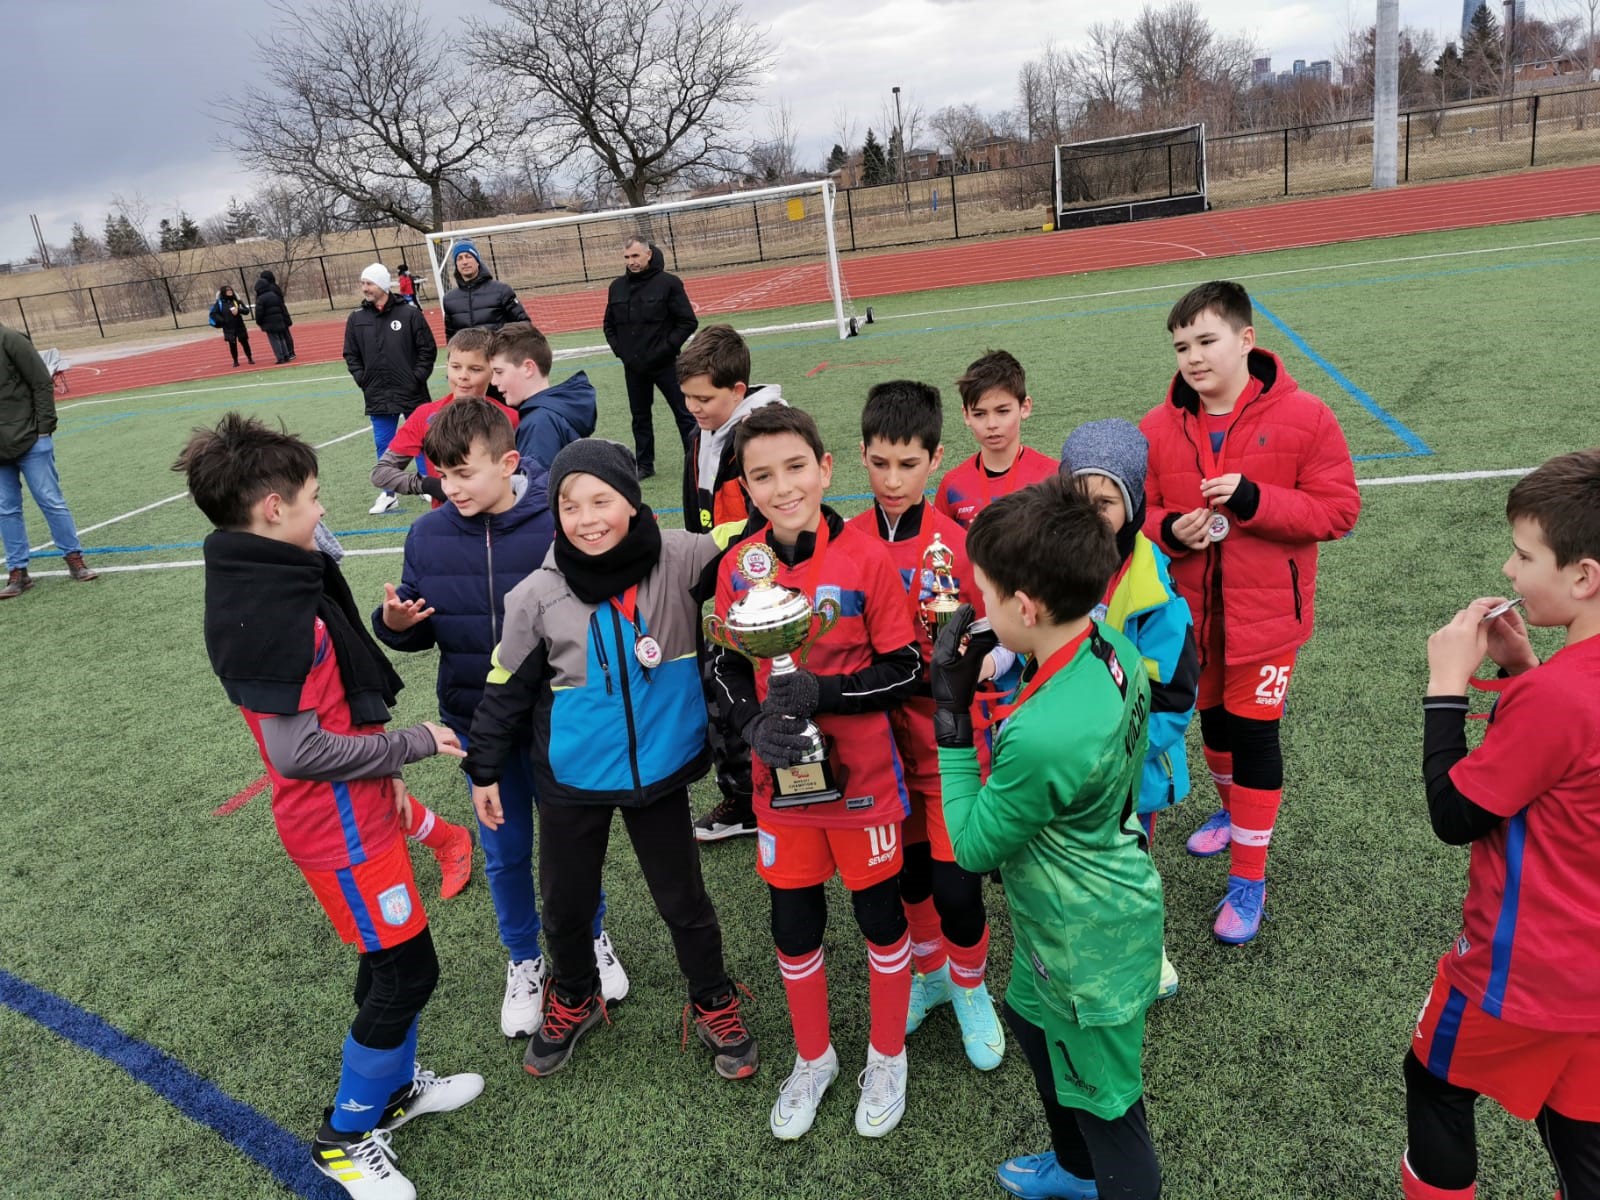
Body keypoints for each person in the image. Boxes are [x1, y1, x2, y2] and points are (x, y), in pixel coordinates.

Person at [177, 413, 482, 1200]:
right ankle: (343, 1140)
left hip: (359, 814)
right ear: (273, 508)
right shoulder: (273, 610)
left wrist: (387, 762)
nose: (323, 509)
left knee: (387, 963)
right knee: (407, 973)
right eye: (312, 497)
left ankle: (394, 1092)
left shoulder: (270, 578)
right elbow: (297, 751)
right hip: (336, 830)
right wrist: (410, 743)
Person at [464, 438, 757, 1081]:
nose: (587, 519)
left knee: (684, 900)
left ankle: (713, 998)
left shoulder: (683, 557)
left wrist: (763, 462)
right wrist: (483, 768)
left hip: (661, 771)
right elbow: (504, 685)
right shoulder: (536, 595)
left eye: (601, 500)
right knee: (565, 906)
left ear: (631, 501)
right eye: (570, 506)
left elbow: (753, 532)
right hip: (572, 778)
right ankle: (574, 995)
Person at [933, 476, 1164, 1200]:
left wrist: (951, 721)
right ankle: (1075, 1170)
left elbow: (973, 848)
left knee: (1112, 1113)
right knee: (1029, 1025)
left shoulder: (1043, 735)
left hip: (1083, 945)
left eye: (985, 594)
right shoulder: (1107, 641)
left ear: (1026, 607)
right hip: (1073, 914)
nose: (979, 609)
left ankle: (1100, 1174)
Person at [372, 399, 627, 1038]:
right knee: (506, 853)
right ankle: (523, 960)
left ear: (510, 462)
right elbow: (417, 624)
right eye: (442, 474)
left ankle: (590, 938)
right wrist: (395, 623)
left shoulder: (555, 524)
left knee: (570, 848)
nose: (451, 487)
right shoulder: (427, 535)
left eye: (464, 473)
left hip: (558, 720)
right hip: (477, 726)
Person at [710, 404, 923, 1141]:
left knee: (879, 919)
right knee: (794, 926)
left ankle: (887, 1055)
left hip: (863, 782)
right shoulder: (739, 567)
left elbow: (905, 669)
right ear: (746, 487)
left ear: (826, 469)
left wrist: (821, 693)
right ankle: (814, 1058)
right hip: (780, 785)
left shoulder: (865, 557)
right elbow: (724, 664)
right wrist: (753, 725)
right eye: (763, 476)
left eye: (796, 467)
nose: (784, 487)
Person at [1403, 448, 1600, 1200]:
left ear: (1583, 577)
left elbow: (1456, 814)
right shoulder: (1562, 691)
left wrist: (1445, 689)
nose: (1509, 570)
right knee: (1581, 1136)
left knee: (1435, 1084)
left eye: (1524, 555)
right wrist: (1525, 669)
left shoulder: (1557, 700)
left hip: (1525, 969)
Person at [1140, 280, 1359, 944]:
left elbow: (1338, 511)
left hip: (1266, 624)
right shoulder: (1157, 426)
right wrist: (1169, 529)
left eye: (1206, 341)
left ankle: (1249, 878)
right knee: (1212, 725)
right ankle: (1232, 815)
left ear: (1246, 340)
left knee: (1256, 737)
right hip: (1189, 620)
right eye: (1182, 347)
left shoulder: (1307, 416)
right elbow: (1135, 513)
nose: (1193, 358)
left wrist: (1255, 500)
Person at [844, 380, 1004, 1072]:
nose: (892, 480)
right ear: (861, 455)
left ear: (935, 459)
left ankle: (971, 988)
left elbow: (997, 635)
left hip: (949, 749)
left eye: (908, 464)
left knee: (957, 888)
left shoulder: (961, 546)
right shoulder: (846, 542)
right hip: (876, 752)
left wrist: (983, 662)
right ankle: (933, 976)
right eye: (880, 463)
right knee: (907, 879)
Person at [1060, 418, 1198, 999]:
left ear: (1133, 505)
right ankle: (1086, 948)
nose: (1092, 513)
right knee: (1072, 866)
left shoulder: (1155, 593)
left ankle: (1147, 949)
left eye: (1107, 501)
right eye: (1079, 497)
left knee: (1130, 865)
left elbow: (1173, 697)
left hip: (1128, 771)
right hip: (1064, 766)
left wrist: (1116, 758)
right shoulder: (1048, 568)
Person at [674, 324, 787, 843]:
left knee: (748, 689)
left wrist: (707, 573)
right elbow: (699, 515)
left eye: (704, 398)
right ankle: (745, 793)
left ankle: (755, 796)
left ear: (738, 390)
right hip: (720, 583)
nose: (693, 407)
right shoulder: (704, 433)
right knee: (721, 688)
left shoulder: (761, 437)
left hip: (756, 591)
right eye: (688, 397)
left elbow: (762, 524)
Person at [371, 327, 519, 508]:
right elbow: (381, 473)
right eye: (456, 367)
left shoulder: (509, 417)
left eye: (475, 369)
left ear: (492, 371)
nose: (463, 376)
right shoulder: (425, 415)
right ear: (447, 365)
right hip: (446, 518)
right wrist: (430, 485)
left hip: (499, 517)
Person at [0, 324, 97, 598]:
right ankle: (18, 571)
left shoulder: (11, 340)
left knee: (50, 500)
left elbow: (41, 382)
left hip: (30, 438)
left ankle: (75, 559)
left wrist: (44, 430)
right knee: (5, 509)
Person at [343, 263, 438, 516]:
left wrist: (416, 378)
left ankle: (427, 485)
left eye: (369, 283)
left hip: (411, 391)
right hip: (377, 393)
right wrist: (363, 379)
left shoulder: (410, 314)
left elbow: (427, 349)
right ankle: (388, 493)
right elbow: (351, 354)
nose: (365, 288)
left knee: (422, 439)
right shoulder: (356, 319)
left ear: (383, 286)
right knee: (384, 444)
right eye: (363, 283)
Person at [602, 235, 698, 479]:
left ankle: (695, 461)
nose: (631, 261)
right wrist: (623, 353)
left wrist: (666, 348)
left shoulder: (669, 283)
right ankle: (644, 465)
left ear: (648, 254)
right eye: (627, 257)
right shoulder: (617, 287)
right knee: (640, 418)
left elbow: (688, 321)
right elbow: (609, 326)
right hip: (633, 367)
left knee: (685, 414)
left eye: (635, 255)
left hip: (666, 363)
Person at [933, 349, 1056, 530]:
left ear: (1024, 407)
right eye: (979, 414)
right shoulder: (952, 485)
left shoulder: (1053, 477)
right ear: (966, 415)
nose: (991, 424)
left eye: (1002, 411)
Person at [488, 324, 596, 472]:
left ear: (528, 368)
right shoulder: (557, 409)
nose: (493, 381)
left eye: (499, 372)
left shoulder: (538, 424)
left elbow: (536, 484)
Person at [441, 241, 529, 339]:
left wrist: (504, 344)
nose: (464, 262)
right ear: (456, 264)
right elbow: (451, 338)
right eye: (459, 258)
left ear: (477, 261)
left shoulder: (501, 291)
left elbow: (524, 325)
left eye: (468, 256)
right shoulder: (449, 299)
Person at [252, 271, 296, 364]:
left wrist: (259, 322)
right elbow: (281, 306)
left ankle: (281, 357)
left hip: (269, 322)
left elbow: (259, 312)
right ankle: (287, 355)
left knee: (275, 340)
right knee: (282, 337)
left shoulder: (261, 298)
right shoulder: (274, 293)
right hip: (280, 319)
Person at [208, 284, 255, 368]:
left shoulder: (236, 300)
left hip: (239, 326)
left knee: (245, 342)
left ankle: (250, 358)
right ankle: (235, 361)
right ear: (223, 292)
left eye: (230, 290)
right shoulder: (219, 303)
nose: (230, 291)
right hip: (228, 328)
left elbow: (246, 311)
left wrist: (238, 310)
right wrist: (222, 320)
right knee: (232, 345)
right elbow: (214, 314)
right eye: (227, 290)